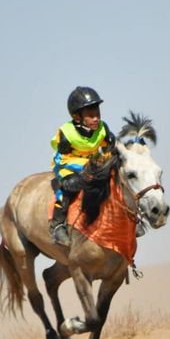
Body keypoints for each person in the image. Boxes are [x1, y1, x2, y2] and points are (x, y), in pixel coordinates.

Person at [49, 86, 117, 245]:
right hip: (68, 163)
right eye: (91, 116)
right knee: (71, 186)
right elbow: (63, 155)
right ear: (77, 117)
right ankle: (58, 225)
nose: (96, 119)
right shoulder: (66, 132)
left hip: (92, 162)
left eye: (97, 114)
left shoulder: (102, 128)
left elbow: (109, 148)